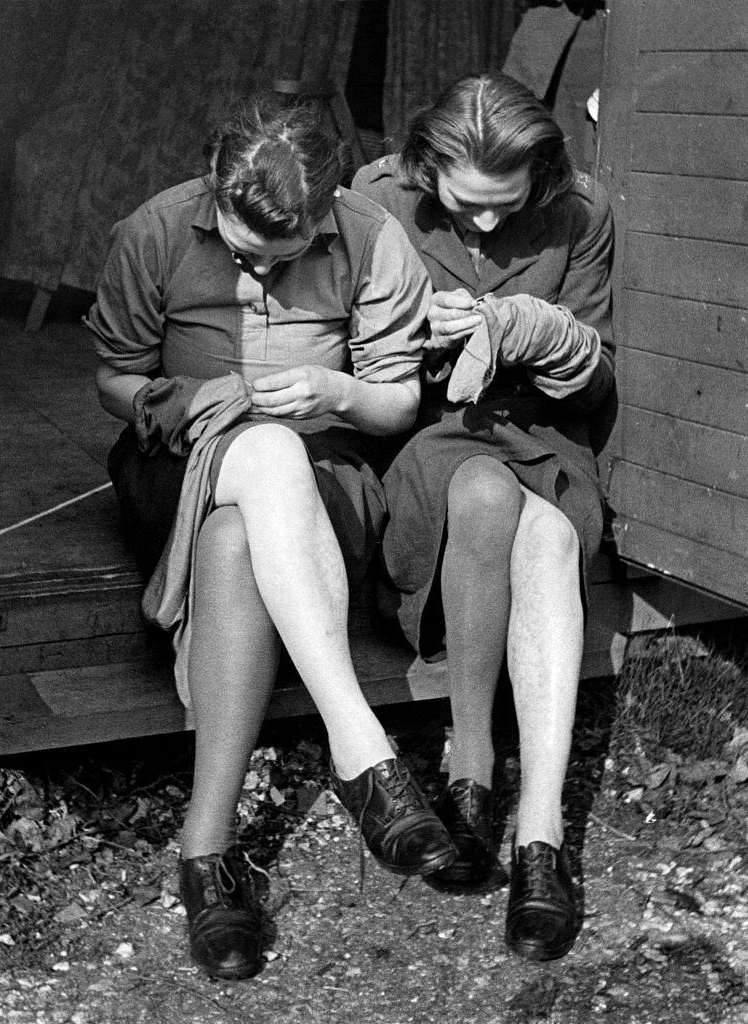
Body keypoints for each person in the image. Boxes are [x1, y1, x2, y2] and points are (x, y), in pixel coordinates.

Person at [85, 92, 458, 982]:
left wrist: (336, 394)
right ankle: (362, 747)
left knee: (236, 542)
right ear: (216, 192)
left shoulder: (371, 236)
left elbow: (398, 400)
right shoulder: (156, 231)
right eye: (244, 256)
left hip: (328, 467)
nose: (256, 280)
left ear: (325, 213)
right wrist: (156, 400)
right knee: (257, 450)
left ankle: (205, 853)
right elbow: (112, 375)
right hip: (177, 456)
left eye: (280, 262)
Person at [352, 72, 615, 962]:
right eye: (470, 206)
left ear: (539, 179)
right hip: (427, 432)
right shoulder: (377, 195)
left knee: (542, 528)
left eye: (510, 206)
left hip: (543, 431)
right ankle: (471, 764)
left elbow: (598, 373)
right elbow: (349, 348)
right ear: (427, 168)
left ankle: (535, 831)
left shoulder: (580, 213)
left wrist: (535, 329)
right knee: (482, 492)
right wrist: (417, 338)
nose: (491, 226)